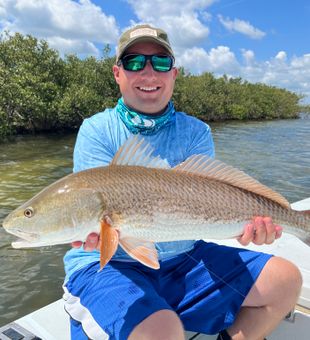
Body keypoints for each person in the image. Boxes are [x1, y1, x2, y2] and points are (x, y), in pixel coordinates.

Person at [63, 24, 302, 340]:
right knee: (162, 331)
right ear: (117, 73)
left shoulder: (196, 132)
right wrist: (99, 233)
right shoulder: (97, 130)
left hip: (183, 259)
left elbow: (209, 198)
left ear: (174, 74)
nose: (149, 73)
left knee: (286, 280)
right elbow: (100, 215)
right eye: (134, 62)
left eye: (160, 62)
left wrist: (248, 229)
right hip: (108, 265)